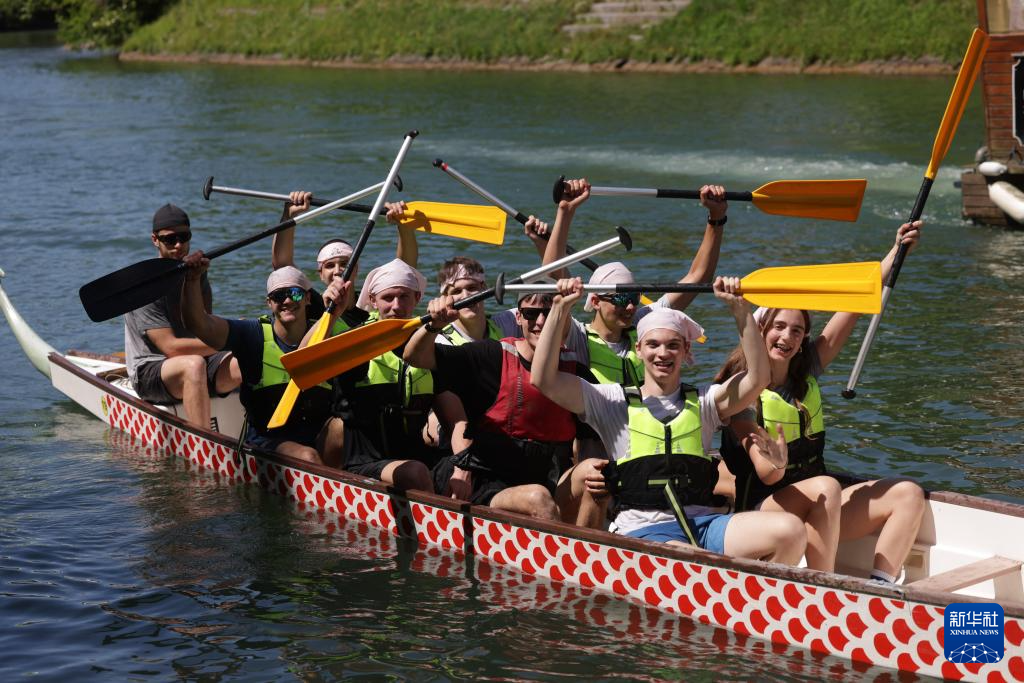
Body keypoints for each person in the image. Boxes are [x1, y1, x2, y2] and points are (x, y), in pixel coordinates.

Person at [529, 276, 807, 564]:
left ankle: (761, 590)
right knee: (690, 556)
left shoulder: (706, 401)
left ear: (686, 350)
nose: (663, 353)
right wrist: (560, 309)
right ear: (639, 349)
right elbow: (543, 379)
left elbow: (758, 378)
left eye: (673, 345)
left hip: (705, 525)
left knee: (791, 530)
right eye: (653, 345)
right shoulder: (611, 401)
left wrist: (740, 309)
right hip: (643, 530)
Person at [715, 221, 926, 580]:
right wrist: (776, 460)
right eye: (779, 327)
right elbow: (766, 474)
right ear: (760, 331)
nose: (787, 337)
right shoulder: (741, 395)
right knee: (827, 486)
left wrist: (896, 251)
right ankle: (824, 588)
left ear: (803, 340)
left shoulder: (806, 371)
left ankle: (882, 587)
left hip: (819, 505)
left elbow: (854, 305)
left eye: (797, 330)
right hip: (764, 513)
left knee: (908, 493)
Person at [405, 281, 608, 525]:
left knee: (596, 473)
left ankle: (585, 544)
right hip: (486, 485)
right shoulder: (490, 356)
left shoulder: (577, 374)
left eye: (549, 313)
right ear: (519, 318)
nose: (540, 322)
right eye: (531, 314)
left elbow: (594, 444)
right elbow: (415, 357)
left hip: (549, 482)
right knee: (538, 498)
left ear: (563, 318)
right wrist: (434, 325)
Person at [552, 181, 729, 388]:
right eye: (621, 298)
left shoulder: (644, 322)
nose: (630, 307)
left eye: (634, 298)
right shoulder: (576, 337)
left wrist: (716, 217)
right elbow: (553, 275)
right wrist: (565, 212)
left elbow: (698, 277)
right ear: (595, 301)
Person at [179, 257, 342, 465]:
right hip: (266, 441)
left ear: (308, 298)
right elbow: (198, 324)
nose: (287, 301)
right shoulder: (252, 335)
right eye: (278, 296)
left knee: (343, 428)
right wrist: (192, 280)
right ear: (269, 303)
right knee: (307, 456)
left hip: (318, 436)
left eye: (295, 293)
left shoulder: (329, 331)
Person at [323, 258, 445, 492]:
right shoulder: (354, 341)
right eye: (388, 298)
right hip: (363, 464)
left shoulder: (432, 344)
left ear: (417, 298)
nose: (396, 306)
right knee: (416, 472)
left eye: (404, 297)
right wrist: (331, 316)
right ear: (372, 300)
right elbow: (302, 363)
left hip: (418, 457)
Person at [123, 203, 240, 429]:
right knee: (193, 365)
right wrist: (228, 340)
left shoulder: (197, 274)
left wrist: (240, 336)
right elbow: (171, 348)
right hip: (150, 370)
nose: (178, 245)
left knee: (247, 357)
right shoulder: (144, 284)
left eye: (184, 237)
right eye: (170, 239)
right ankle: (203, 442)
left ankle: (262, 433)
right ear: (155, 240)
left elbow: (205, 328)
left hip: (195, 361)